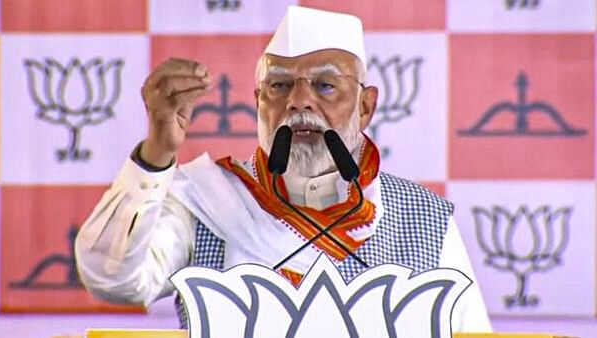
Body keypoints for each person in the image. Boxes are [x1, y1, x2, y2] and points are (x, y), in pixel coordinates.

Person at [75, 5, 492, 333]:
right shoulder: (207, 200)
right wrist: (155, 155)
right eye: (279, 85)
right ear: (259, 101)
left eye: (325, 85)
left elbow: (472, 333)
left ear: (365, 106)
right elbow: (112, 279)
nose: (299, 101)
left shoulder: (422, 217)